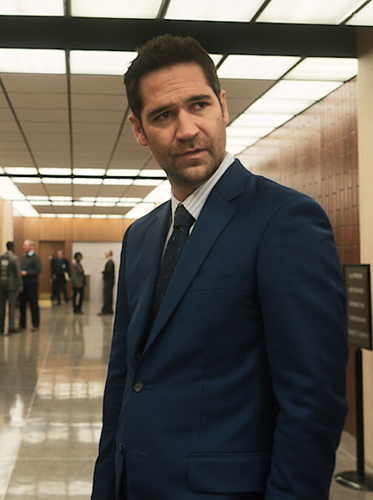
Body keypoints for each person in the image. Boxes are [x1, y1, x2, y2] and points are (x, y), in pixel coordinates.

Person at [91, 34, 347, 499]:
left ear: (223, 106)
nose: (187, 129)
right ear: (139, 129)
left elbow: (312, 403)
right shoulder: (140, 236)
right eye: (163, 116)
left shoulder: (284, 221)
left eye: (199, 105)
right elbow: (125, 381)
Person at [0, 241, 23, 334]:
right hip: (11, 286)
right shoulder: (14, 259)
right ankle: (11, 327)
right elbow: (17, 273)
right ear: (13, 247)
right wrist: (20, 285)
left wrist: (0, 280)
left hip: (2, 284)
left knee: (2, 307)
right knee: (11, 307)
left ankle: (1, 327)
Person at [18, 239, 42, 331]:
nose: (23, 247)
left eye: (25, 245)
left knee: (33, 305)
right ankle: (22, 324)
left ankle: (35, 324)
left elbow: (38, 270)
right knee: (22, 304)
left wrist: (27, 273)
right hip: (23, 284)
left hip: (32, 284)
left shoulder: (36, 258)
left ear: (30, 246)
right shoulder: (24, 257)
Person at [99, 250, 115, 315]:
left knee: (107, 295)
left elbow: (108, 271)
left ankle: (105, 310)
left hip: (108, 280)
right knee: (109, 295)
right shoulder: (110, 262)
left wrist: (103, 271)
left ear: (109, 254)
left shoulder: (110, 262)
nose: (105, 255)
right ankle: (109, 309)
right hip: (110, 280)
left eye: (106, 254)